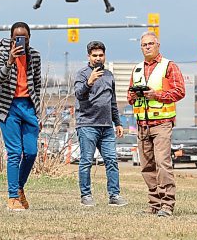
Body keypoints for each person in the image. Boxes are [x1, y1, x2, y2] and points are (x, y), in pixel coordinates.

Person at [128, 31, 185, 217]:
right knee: (146, 166)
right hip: (142, 124)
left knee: (163, 163)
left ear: (158, 45)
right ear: (140, 47)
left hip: (161, 123)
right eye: (144, 44)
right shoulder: (136, 69)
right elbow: (129, 97)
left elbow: (179, 91)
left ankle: (167, 204)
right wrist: (135, 95)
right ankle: (154, 204)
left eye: (151, 43)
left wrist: (156, 94)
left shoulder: (169, 66)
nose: (147, 47)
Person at [0, 22, 41, 211]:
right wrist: (10, 61)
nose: (20, 41)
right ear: (11, 38)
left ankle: (19, 187)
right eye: (16, 38)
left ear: (29, 38)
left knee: (31, 152)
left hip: (28, 106)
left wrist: (38, 113)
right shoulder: (2, 52)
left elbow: (37, 85)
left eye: (24, 38)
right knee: (14, 152)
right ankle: (12, 197)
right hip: (8, 106)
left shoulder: (35, 56)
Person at [74, 41, 127, 207]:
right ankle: (86, 195)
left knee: (112, 160)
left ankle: (114, 195)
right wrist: (89, 82)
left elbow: (112, 101)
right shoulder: (82, 74)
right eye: (94, 55)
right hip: (87, 125)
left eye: (101, 55)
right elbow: (78, 94)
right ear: (88, 56)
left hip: (106, 127)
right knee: (86, 161)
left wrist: (117, 123)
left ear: (104, 56)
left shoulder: (109, 75)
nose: (98, 58)